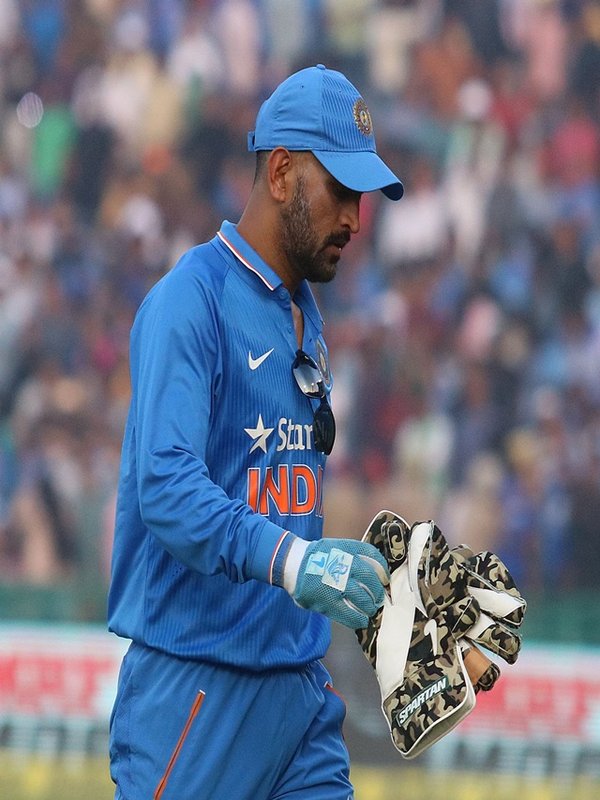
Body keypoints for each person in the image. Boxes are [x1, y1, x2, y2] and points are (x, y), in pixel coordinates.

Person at [108, 64, 404, 800]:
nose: (355, 219)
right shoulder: (191, 299)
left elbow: (276, 493)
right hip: (196, 691)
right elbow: (166, 487)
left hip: (299, 695)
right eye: (341, 191)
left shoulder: (307, 316)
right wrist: (298, 564)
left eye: (362, 198)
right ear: (279, 172)